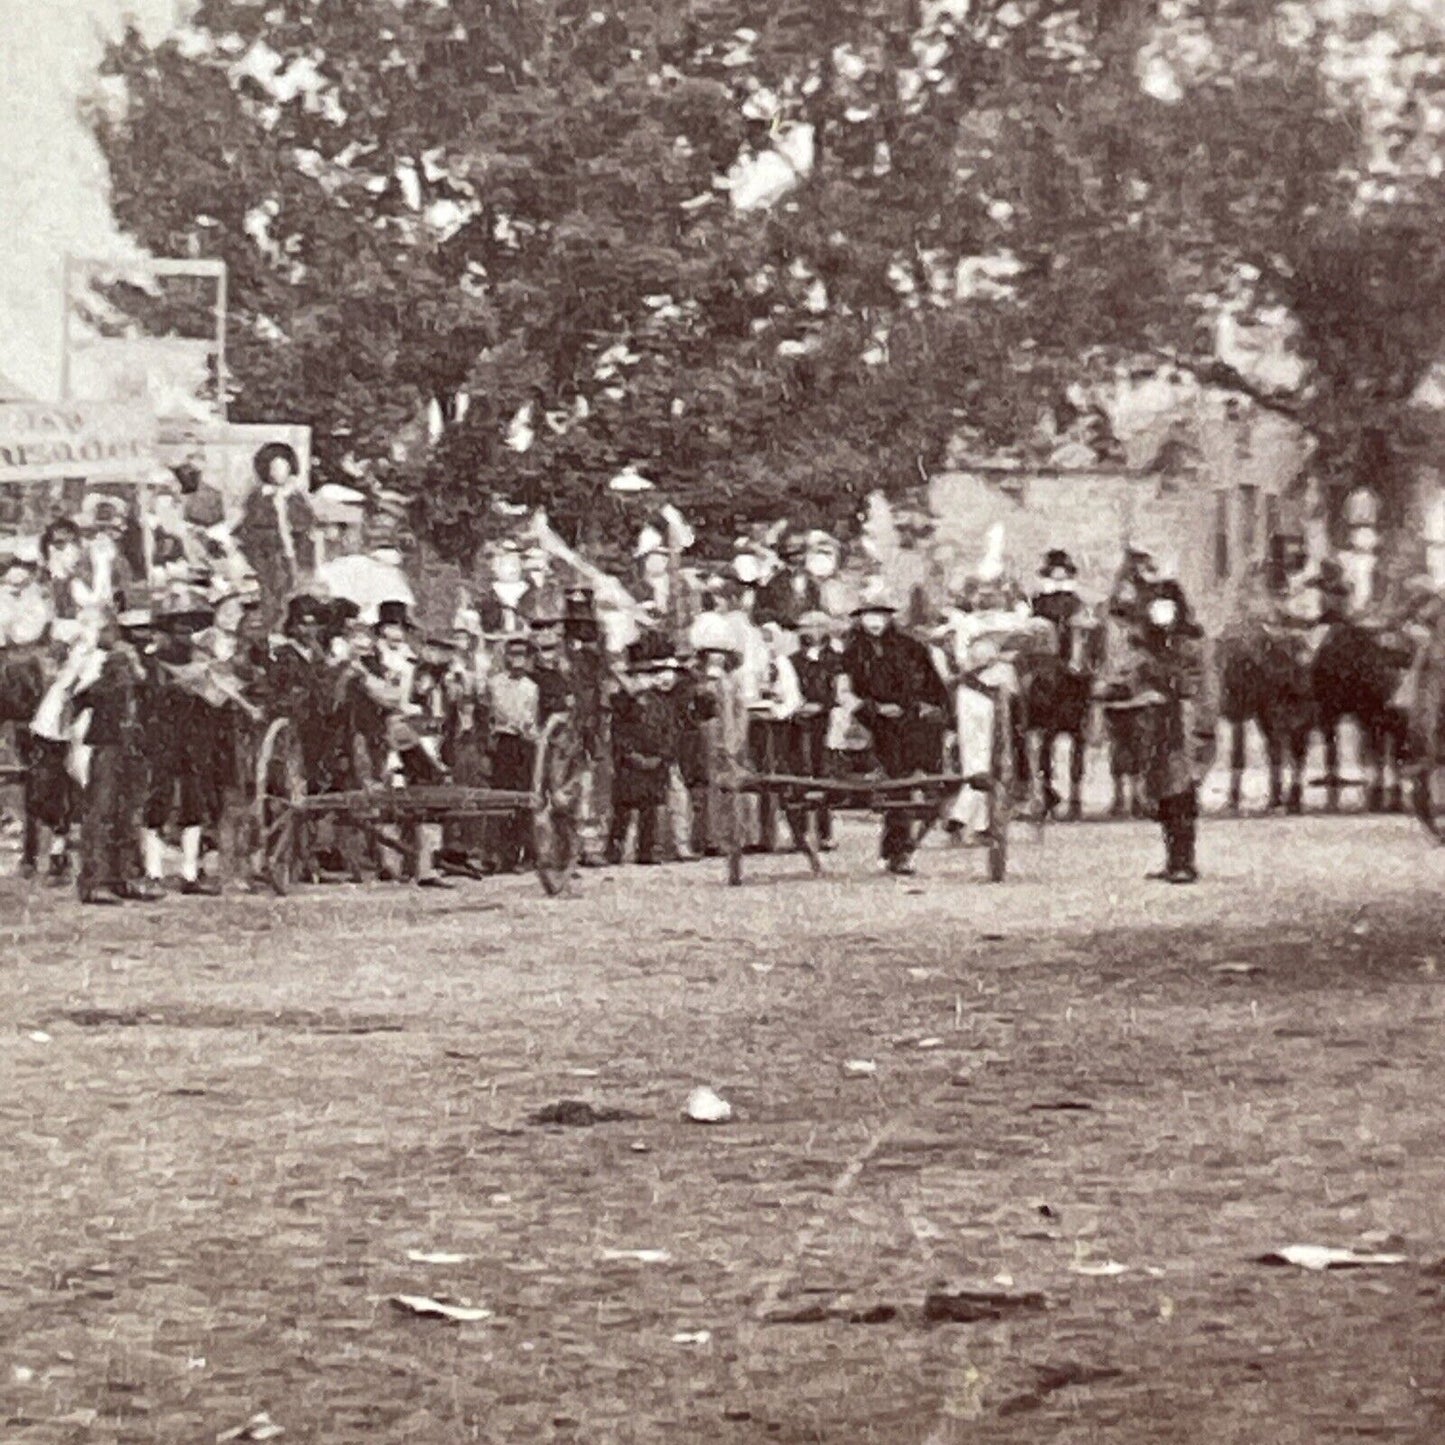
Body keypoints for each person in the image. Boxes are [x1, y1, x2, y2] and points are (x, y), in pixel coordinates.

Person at [841, 583, 950, 875]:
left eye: (880, 614)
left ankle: (900, 847)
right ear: (860, 618)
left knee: (914, 781)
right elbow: (844, 691)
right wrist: (874, 709)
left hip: (910, 721)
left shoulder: (911, 647)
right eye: (868, 615)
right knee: (896, 781)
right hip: (871, 723)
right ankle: (898, 850)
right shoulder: (851, 652)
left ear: (890, 617)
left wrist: (917, 708)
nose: (874, 621)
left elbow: (933, 688)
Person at [1131, 577, 1217, 884]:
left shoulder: (1191, 644)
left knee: (1181, 794)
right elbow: (1136, 679)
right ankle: (1172, 860)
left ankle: (1184, 862)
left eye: (1167, 607)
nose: (1162, 613)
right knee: (1165, 795)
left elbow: (1204, 687)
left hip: (1185, 723)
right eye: (1157, 608)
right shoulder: (1147, 646)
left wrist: (1203, 724)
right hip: (1158, 726)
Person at [72, 609, 155, 905]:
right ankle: (96, 880)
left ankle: (125, 877)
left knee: (130, 811)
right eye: (137, 631)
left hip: (133, 744)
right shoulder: (110, 661)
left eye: (147, 630)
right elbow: (84, 697)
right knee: (103, 810)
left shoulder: (144, 662)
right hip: (109, 743)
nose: (143, 636)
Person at [607, 644, 679, 865]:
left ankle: (646, 849)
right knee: (623, 808)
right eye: (638, 675)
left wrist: (661, 757)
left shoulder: (661, 703)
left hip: (655, 763)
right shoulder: (621, 704)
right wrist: (631, 755)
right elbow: (617, 733)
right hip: (630, 764)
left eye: (648, 674)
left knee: (650, 809)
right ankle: (614, 848)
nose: (643, 680)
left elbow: (670, 732)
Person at [233, 442, 318, 620]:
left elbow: (306, 523)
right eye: (275, 467)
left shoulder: (296, 496)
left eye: (283, 466)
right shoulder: (259, 497)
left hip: (295, 554)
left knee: (296, 592)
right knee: (270, 594)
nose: (280, 472)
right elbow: (250, 527)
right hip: (269, 556)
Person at [487, 635, 540, 872]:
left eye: (522, 656)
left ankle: (526, 853)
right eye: (513, 655)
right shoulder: (495, 683)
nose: (517, 660)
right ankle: (502, 854)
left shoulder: (531, 687)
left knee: (524, 798)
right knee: (501, 797)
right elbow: (491, 713)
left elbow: (531, 720)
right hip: (503, 743)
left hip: (524, 745)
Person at [792, 611, 843, 851]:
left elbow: (841, 692)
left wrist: (822, 705)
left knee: (823, 774)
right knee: (799, 774)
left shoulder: (837, 660)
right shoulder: (793, 660)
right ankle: (800, 833)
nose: (807, 631)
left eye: (813, 626)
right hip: (799, 721)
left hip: (826, 721)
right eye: (804, 627)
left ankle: (825, 832)